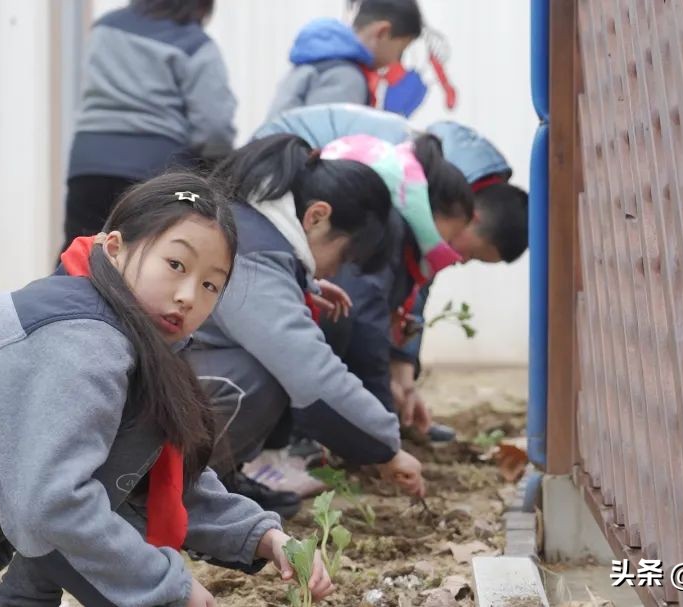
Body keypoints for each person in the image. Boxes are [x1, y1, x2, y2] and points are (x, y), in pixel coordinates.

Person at [0, 173, 332, 607]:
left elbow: (166, 476)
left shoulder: (124, 330)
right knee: (85, 466)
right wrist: (164, 589)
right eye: (176, 265)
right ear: (114, 248)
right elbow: (50, 501)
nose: (188, 295)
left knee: (101, 453)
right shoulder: (80, 335)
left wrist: (261, 535)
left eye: (211, 285)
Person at [254, 104, 528, 440]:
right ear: (474, 218)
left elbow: (413, 285)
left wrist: (402, 372)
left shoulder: (438, 197)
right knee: (338, 311)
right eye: (471, 254)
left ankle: (345, 426)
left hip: (319, 205)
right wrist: (382, 431)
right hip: (281, 187)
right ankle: (303, 438)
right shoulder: (420, 191)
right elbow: (378, 297)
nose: (460, 259)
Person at [187, 134, 426, 518]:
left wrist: (300, 284)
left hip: (131, 379)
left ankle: (208, 484)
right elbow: (313, 373)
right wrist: (387, 447)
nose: (338, 270)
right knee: (256, 375)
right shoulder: (255, 258)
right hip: (125, 397)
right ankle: (177, 493)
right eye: (344, 254)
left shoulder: (241, 223)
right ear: (316, 217)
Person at [64, 0, 237, 247]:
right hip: (157, 170)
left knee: (80, 253)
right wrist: (218, 172)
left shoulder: (105, 27)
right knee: (145, 259)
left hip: (89, 162)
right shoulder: (195, 44)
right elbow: (215, 127)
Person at [266, 0, 423, 120]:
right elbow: (325, 147)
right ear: (382, 33)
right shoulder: (346, 76)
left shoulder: (321, 60)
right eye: (401, 50)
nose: (396, 61)